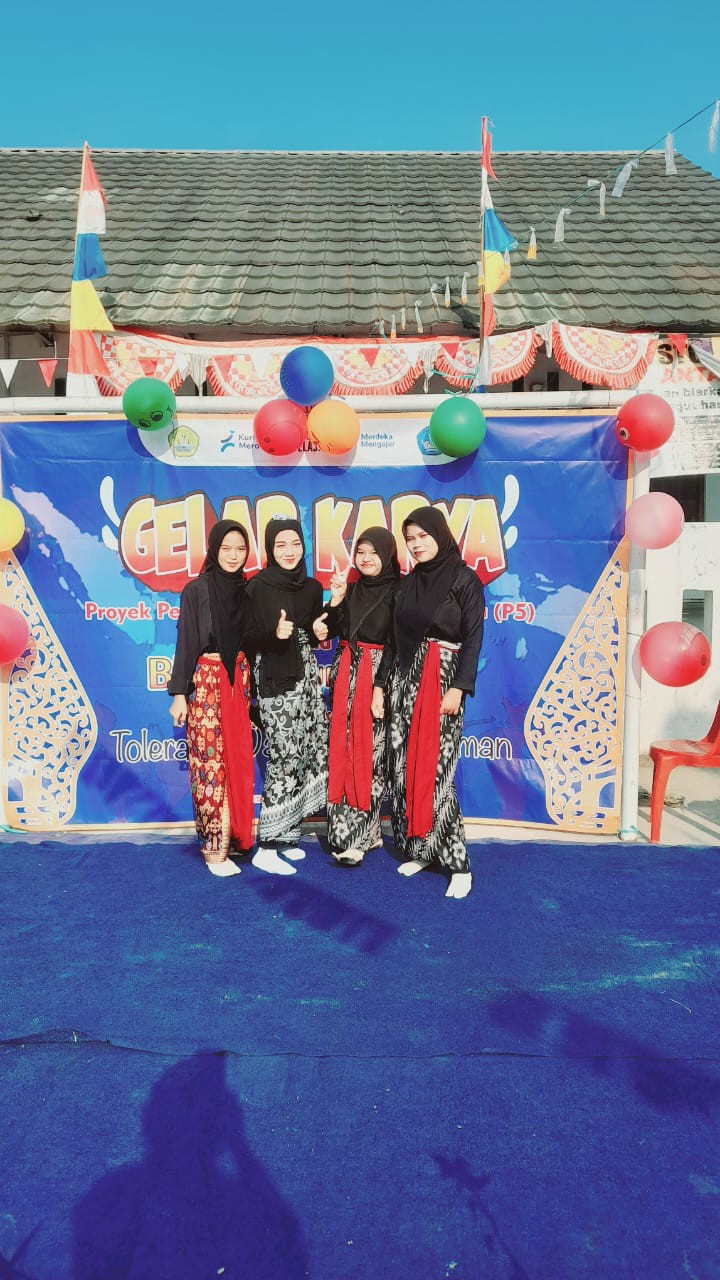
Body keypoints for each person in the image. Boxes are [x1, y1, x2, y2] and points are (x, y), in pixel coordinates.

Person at [388, 506, 484, 899]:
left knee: (436, 769)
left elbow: (473, 638)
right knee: (405, 768)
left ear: (439, 535)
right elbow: (394, 640)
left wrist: (459, 687)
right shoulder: (409, 584)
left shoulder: (464, 579)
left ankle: (458, 863)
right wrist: (384, 687)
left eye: (423, 536)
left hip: (443, 679)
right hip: (405, 679)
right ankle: (423, 850)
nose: (416, 544)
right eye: (410, 539)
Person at [168, 519, 255, 878]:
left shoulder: (247, 591)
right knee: (209, 766)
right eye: (226, 548)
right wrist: (179, 694)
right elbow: (186, 642)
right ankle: (214, 849)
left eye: (240, 549)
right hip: (205, 681)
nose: (233, 556)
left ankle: (236, 838)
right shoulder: (196, 590)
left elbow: (256, 640)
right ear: (214, 550)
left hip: (239, 681)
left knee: (237, 761)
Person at [245, 518, 328, 876]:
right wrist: (273, 633)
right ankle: (266, 845)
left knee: (304, 753)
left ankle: (287, 834)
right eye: (280, 545)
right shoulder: (257, 586)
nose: (289, 551)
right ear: (270, 548)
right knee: (283, 756)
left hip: (306, 677)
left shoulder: (312, 587)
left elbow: (314, 628)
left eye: (295, 543)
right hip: (274, 678)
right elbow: (247, 637)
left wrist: (323, 623)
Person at [322, 527, 400, 866]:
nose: (366, 559)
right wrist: (336, 599)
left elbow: (396, 645)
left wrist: (380, 685)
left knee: (370, 755)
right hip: (345, 675)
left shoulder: (398, 592)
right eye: (361, 552)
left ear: (387, 554)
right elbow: (330, 629)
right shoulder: (351, 589)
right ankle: (354, 835)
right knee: (342, 750)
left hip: (376, 678)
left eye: (374, 552)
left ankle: (360, 838)